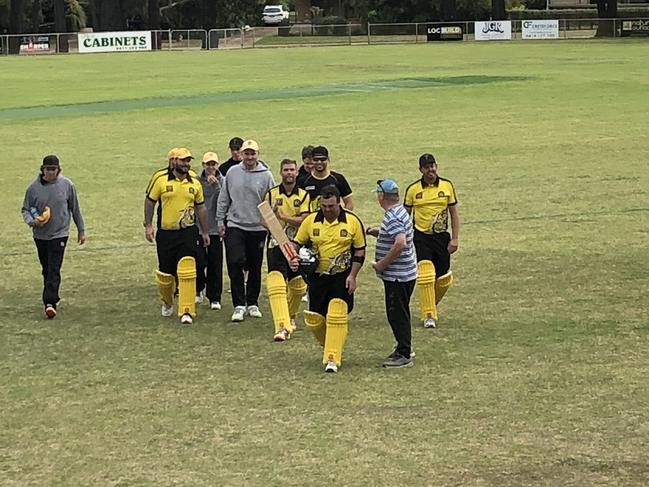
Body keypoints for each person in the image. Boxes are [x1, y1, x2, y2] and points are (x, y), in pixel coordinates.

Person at [291, 184, 366, 373]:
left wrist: (353, 276)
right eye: (324, 206)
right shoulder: (310, 221)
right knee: (315, 320)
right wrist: (294, 258)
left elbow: (360, 251)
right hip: (317, 278)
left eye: (331, 206)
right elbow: (297, 244)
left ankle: (332, 358)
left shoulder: (352, 221)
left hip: (342, 277)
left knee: (336, 313)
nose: (327, 210)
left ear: (339, 202)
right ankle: (333, 346)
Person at [144, 148, 210, 325]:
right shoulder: (160, 179)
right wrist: (148, 225)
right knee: (166, 272)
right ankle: (167, 301)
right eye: (183, 161)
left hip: (188, 231)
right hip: (166, 233)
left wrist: (204, 231)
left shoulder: (194, 182)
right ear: (174, 162)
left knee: (188, 268)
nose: (186, 164)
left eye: (188, 161)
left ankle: (187, 310)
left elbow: (201, 207)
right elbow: (150, 202)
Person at [216, 140, 275, 322]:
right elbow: (224, 197)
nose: (250, 157)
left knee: (255, 265)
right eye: (246, 154)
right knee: (235, 261)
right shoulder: (232, 173)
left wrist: (272, 226)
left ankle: (252, 303)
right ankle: (239, 305)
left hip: (257, 228)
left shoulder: (266, 175)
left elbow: (272, 200)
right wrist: (220, 220)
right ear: (241, 154)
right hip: (235, 225)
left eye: (253, 154)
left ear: (258, 154)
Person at [21, 155, 86, 319]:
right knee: (47, 268)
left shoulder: (67, 185)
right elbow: (26, 209)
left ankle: (49, 302)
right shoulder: (33, 189)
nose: (51, 172)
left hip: (60, 234)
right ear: (42, 169)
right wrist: (33, 222)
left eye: (54, 169)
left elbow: (75, 208)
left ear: (59, 170)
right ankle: (52, 296)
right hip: (41, 235)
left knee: (54, 268)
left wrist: (81, 229)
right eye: (48, 169)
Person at [403, 153, 460, 329]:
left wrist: (455, 238)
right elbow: (405, 216)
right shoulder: (413, 190)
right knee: (426, 273)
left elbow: (454, 214)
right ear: (421, 169)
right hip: (421, 236)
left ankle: (429, 304)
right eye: (427, 167)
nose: (431, 170)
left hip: (442, 236)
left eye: (433, 166)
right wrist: (404, 239)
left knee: (442, 277)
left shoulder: (447, 186)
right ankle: (429, 315)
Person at [365, 179, 417, 368]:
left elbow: (400, 242)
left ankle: (404, 353)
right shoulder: (400, 211)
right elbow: (396, 234)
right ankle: (403, 346)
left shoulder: (393, 216)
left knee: (396, 314)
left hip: (398, 275)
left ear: (381, 196)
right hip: (406, 273)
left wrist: (381, 264)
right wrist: (376, 232)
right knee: (400, 312)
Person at [263, 158, 310, 342]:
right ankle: (281, 326)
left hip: (296, 244)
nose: (289, 173)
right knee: (276, 281)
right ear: (281, 172)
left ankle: (290, 316)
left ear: (296, 172)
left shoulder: (304, 195)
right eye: (286, 170)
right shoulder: (272, 194)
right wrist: (272, 220)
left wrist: (283, 217)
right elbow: (263, 219)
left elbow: (305, 220)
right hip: (276, 244)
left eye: (292, 170)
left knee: (298, 286)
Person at [196, 151, 224, 311]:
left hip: (215, 228)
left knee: (215, 263)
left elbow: (224, 201)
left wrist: (217, 186)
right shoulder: (196, 181)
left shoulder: (223, 181)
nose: (211, 167)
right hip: (199, 228)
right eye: (208, 164)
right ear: (203, 165)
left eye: (213, 164)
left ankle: (214, 297)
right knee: (199, 261)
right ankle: (199, 289)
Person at [299, 145, 353, 212]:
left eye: (322, 159)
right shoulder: (303, 181)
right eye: (316, 159)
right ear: (312, 160)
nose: (319, 162)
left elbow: (349, 203)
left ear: (328, 159)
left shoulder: (338, 179)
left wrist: (341, 217)